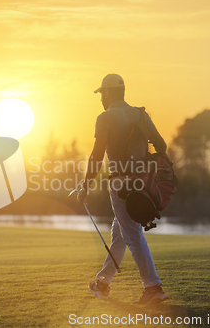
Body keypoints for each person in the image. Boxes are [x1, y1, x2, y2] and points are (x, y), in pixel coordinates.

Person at [77, 73, 169, 305]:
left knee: (132, 234)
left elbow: (97, 156)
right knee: (121, 233)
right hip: (143, 184)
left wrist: (85, 185)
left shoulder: (105, 117)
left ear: (107, 93)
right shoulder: (140, 114)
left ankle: (153, 287)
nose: (100, 99)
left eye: (101, 94)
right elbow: (162, 145)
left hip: (120, 185)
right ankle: (103, 284)